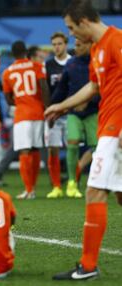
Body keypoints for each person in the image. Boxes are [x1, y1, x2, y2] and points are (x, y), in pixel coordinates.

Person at [45, 0, 122, 280]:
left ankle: (88, 266)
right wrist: (61, 105)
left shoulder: (116, 41)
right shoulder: (98, 49)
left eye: (71, 28)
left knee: (94, 191)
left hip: (117, 129)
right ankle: (88, 266)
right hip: (108, 127)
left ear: (85, 22)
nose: (71, 35)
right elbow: (94, 86)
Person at [51, 38, 99, 198]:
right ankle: (72, 182)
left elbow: (103, 88)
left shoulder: (97, 61)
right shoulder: (71, 64)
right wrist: (53, 106)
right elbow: (62, 88)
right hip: (74, 113)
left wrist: (88, 101)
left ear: (89, 45)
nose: (76, 48)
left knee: (97, 148)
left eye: (79, 45)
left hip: (93, 111)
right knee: (72, 143)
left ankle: (97, 181)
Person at [2, 41, 50, 199]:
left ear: (13, 54)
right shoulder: (36, 66)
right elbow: (44, 88)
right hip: (38, 113)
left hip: (22, 115)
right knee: (35, 149)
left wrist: (21, 102)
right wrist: (47, 109)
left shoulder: (8, 72)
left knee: (24, 151)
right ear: (26, 52)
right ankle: (33, 188)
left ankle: (28, 190)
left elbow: (8, 98)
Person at [45, 32, 72, 198]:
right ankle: (56, 186)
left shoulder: (72, 63)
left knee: (72, 148)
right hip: (54, 113)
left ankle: (72, 184)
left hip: (71, 112)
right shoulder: (48, 65)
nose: (57, 47)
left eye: (60, 43)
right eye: (54, 44)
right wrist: (49, 109)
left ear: (66, 44)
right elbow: (45, 89)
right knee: (53, 149)